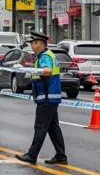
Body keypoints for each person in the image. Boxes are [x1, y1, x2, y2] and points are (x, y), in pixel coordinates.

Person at [16, 31, 68, 165]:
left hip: (47, 97)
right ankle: (61, 156)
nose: (31, 45)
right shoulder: (42, 56)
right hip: (49, 97)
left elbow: (47, 70)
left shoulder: (45, 56)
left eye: (33, 43)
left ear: (40, 43)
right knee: (53, 127)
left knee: (40, 126)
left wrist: (33, 71)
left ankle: (32, 155)